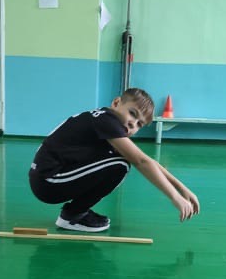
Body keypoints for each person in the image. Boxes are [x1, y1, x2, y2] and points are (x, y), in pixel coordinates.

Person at [28, 88, 200, 232]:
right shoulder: (107, 121)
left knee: (121, 158)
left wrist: (182, 189)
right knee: (120, 165)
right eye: (132, 114)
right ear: (116, 103)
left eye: (139, 124)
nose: (133, 124)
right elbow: (141, 161)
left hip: (50, 179)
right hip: (49, 181)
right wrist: (174, 197)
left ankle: (76, 212)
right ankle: (73, 216)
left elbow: (147, 160)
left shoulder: (105, 120)